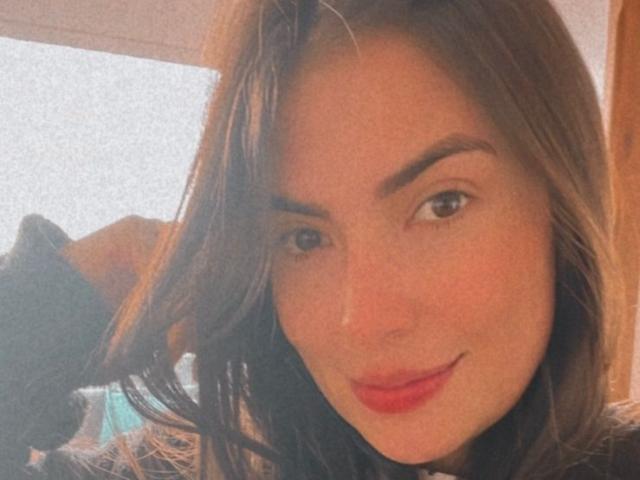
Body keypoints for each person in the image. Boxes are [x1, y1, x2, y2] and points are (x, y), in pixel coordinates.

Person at [1, 0, 639, 479]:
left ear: (564, 204)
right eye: (304, 238)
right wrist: (40, 311)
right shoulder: (199, 465)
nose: (363, 319)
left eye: (441, 205)